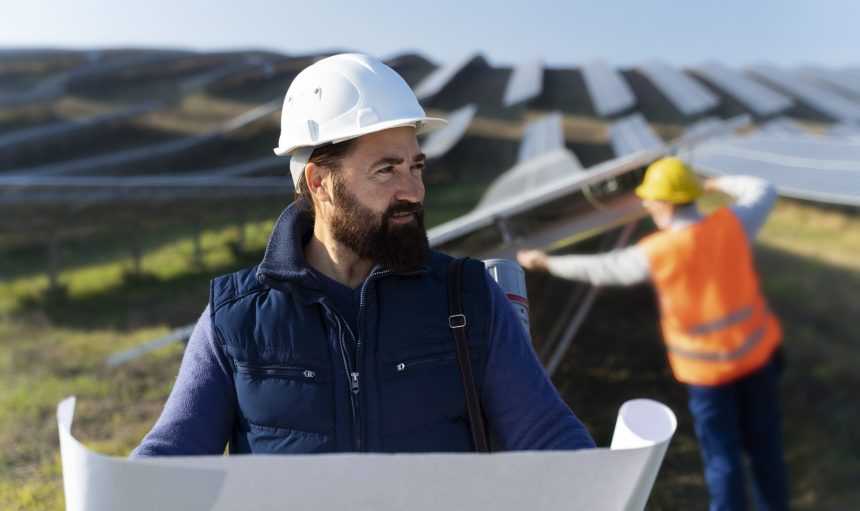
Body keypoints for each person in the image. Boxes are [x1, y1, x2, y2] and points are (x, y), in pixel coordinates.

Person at [133, 53, 594, 456]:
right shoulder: (234, 318)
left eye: (415, 166)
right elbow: (172, 453)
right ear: (320, 183)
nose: (413, 191)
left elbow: (549, 435)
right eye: (385, 170)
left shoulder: (467, 299)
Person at [518, 157, 788, 511]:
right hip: (756, 361)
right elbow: (762, 188)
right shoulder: (733, 223)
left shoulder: (658, 253)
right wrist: (713, 184)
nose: (646, 205)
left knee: (723, 459)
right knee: (765, 449)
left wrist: (545, 262)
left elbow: (601, 269)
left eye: (651, 199)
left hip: (708, 377)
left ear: (665, 203)